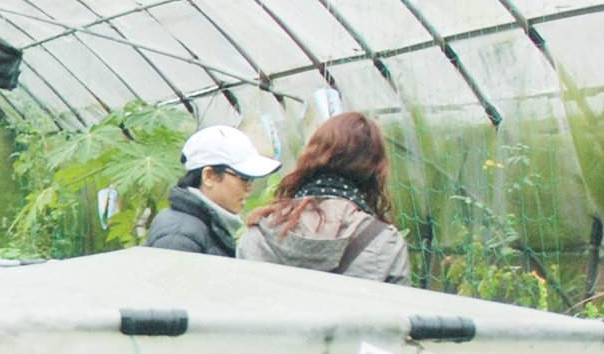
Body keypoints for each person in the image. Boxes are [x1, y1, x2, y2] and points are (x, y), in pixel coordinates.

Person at [236, 111, 408, 283]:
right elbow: (401, 307)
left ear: (309, 158)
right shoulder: (384, 242)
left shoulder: (259, 235)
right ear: (374, 171)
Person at [147, 126, 277, 256]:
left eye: (252, 179)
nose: (249, 187)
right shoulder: (178, 236)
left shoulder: (207, 225)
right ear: (208, 176)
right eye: (244, 178)